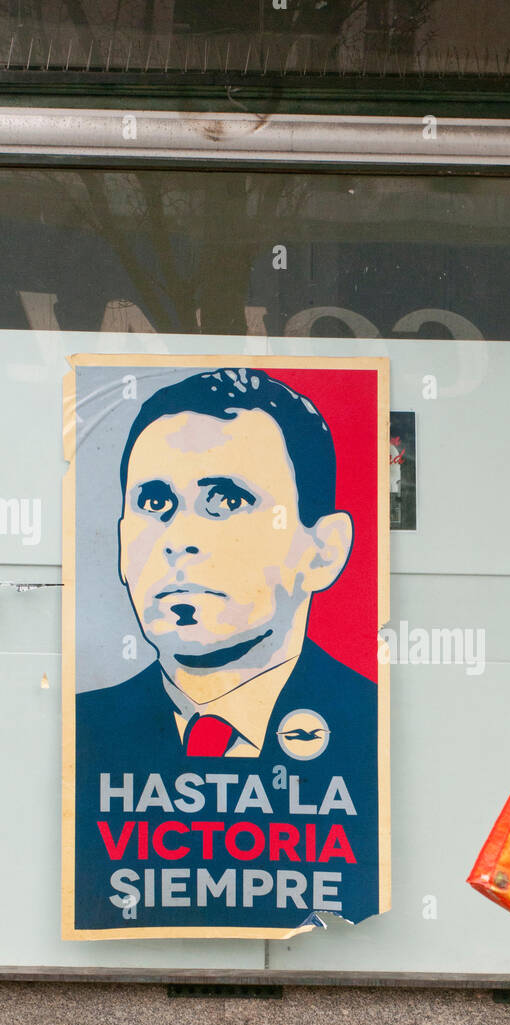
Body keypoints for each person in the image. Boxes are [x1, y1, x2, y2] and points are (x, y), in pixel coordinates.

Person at [74, 366, 379, 930]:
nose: (178, 538)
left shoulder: (373, 730)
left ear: (323, 550)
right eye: (155, 503)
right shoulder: (83, 733)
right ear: (120, 541)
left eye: (226, 501)